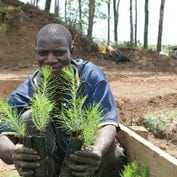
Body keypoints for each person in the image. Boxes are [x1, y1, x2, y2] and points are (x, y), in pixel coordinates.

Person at [0, 23, 127, 177]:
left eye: (59, 52)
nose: (51, 60)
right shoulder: (27, 91)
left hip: (83, 158)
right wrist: (13, 153)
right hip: (46, 163)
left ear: (71, 51)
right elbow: (2, 136)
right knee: (30, 117)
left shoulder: (90, 77)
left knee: (113, 155)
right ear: (36, 54)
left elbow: (107, 123)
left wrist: (97, 150)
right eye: (43, 53)